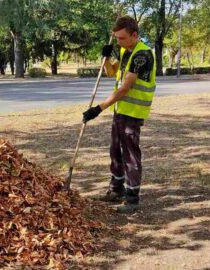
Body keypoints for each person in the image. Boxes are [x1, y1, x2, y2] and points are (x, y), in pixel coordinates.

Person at [82, 16, 156, 214]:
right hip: (120, 110)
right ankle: (117, 189)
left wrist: (98, 109)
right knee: (115, 150)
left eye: (122, 38)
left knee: (130, 153)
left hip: (133, 112)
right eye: (116, 38)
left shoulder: (143, 55)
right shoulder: (126, 51)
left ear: (134, 35)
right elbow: (111, 73)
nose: (118, 42)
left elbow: (124, 89)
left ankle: (132, 197)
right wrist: (106, 59)